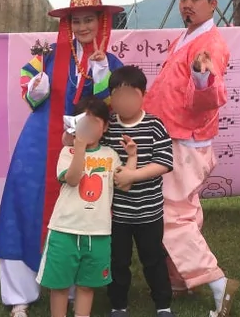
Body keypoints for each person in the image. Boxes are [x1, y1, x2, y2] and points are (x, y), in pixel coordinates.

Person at [0, 0, 125, 317]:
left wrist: (101, 76)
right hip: (37, 148)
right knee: (23, 208)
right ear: (66, 24)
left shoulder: (112, 63)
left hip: (84, 154)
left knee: (76, 215)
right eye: (76, 20)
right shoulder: (48, 57)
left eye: (89, 19)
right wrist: (37, 86)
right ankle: (19, 295)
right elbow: (30, 94)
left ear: (102, 21)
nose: (83, 26)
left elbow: (109, 111)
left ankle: (67, 290)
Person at [143, 0, 240, 317]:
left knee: (171, 216)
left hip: (184, 140)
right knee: (185, 211)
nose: (187, 5)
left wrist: (202, 77)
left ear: (212, 3)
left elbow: (208, 98)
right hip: (172, 136)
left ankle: (216, 281)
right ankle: (181, 281)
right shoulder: (188, 36)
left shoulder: (210, 44)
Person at [37, 97, 137, 317]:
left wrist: (132, 157)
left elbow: (125, 184)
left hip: (98, 232)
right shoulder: (68, 152)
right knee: (60, 286)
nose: (89, 128)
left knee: (86, 286)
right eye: (84, 123)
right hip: (65, 230)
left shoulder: (110, 155)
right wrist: (79, 147)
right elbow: (72, 179)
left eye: (94, 123)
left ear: (105, 127)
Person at [103, 65, 175, 317]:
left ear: (143, 95)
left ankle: (163, 305)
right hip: (117, 215)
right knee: (118, 262)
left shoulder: (154, 125)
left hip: (149, 212)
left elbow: (165, 162)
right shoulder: (108, 126)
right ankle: (118, 305)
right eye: (117, 95)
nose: (123, 101)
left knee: (154, 259)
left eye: (130, 94)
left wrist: (134, 174)